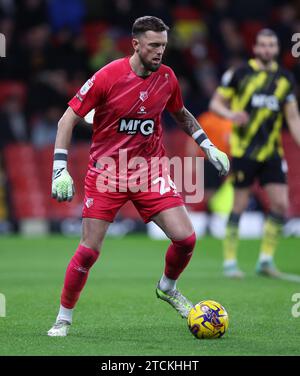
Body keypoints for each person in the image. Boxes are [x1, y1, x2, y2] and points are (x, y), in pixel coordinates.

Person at [47, 16, 229, 337]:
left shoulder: (167, 78)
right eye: (153, 45)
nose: (160, 52)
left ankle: (167, 287)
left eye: (163, 46)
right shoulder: (107, 76)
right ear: (136, 44)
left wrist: (208, 146)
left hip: (150, 171)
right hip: (107, 173)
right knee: (89, 251)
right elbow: (66, 120)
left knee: (186, 239)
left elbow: (181, 115)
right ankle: (63, 318)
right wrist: (60, 168)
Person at [209, 28, 300, 278]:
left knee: (281, 205)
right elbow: (215, 103)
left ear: (277, 49)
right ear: (256, 47)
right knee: (238, 205)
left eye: (271, 45)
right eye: (263, 45)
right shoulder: (239, 73)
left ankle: (266, 261)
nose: (267, 49)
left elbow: (292, 116)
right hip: (243, 151)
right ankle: (229, 262)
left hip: (272, 152)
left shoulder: (285, 79)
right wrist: (230, 115)